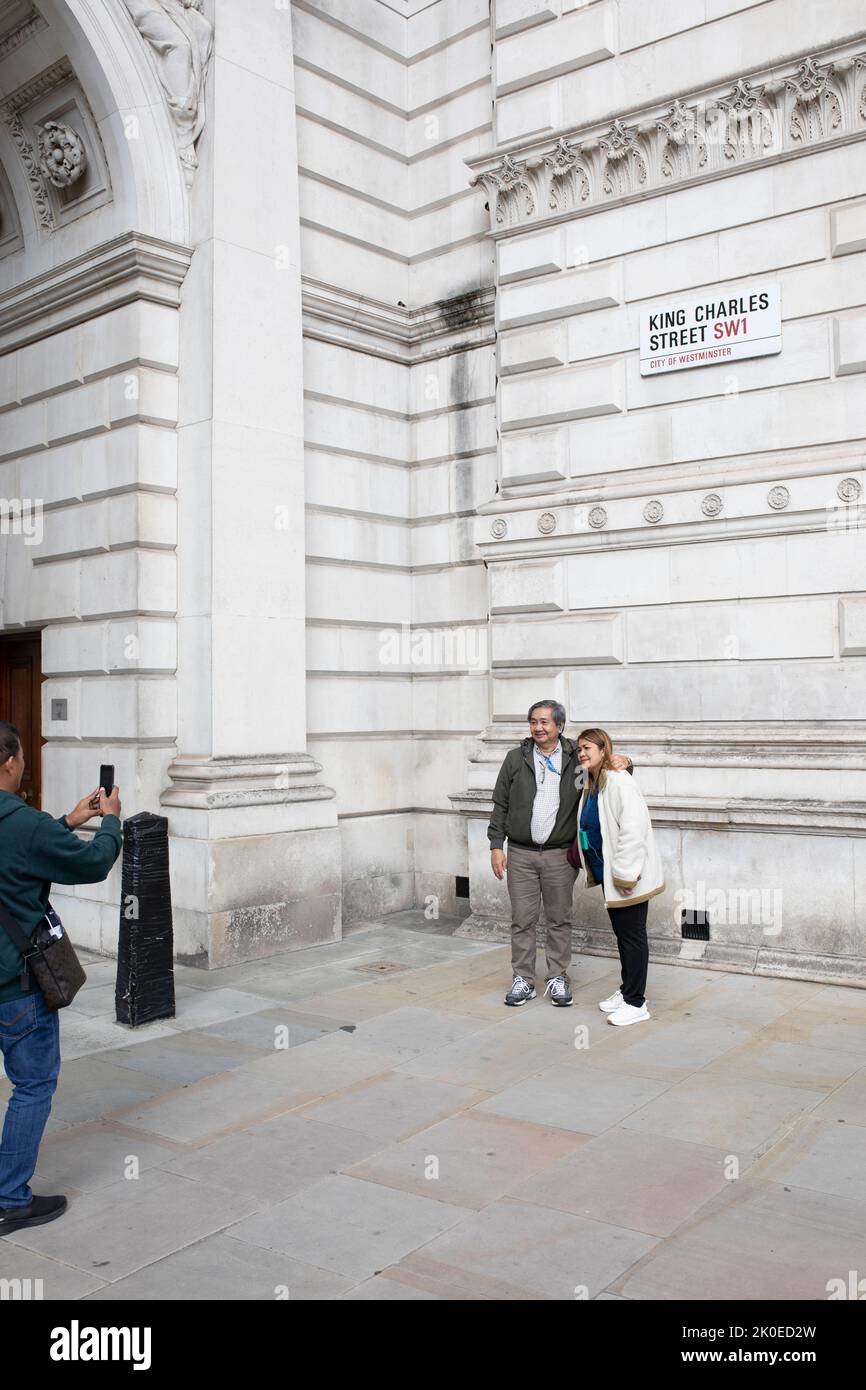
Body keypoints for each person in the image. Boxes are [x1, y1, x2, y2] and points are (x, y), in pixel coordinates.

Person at [0, 721, 122, 1235]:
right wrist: (109, 821)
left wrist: (70, 818)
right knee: (32, 1085)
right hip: (17, 987)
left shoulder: (30, 826)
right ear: (9, 762)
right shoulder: (23, 823)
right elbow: (94, 863)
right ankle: (9, 1199)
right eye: (23, 754)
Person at [488, 701, 631, 1007]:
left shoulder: (575, 760)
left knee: (558, 919)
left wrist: (625, 761)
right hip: (521, 854)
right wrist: (496, 845)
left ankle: (558, 977)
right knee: (522, 920)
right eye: (533, 722)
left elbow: (603, 777)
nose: (538, 727)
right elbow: (500, 804)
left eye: (545, 722)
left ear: (560, 726)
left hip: (559, 856)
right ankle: (523, 979)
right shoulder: (516, 759)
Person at [570, 727, 664, 1027]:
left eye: (588, 748)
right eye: (579, 749)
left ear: (603, 749)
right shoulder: (594, 781)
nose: (582, 753)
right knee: (623, 938)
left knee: (633, 938)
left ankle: (637, 1003)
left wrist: (625, 875)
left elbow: (633, 830)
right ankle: (627, 991)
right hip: (609, 876)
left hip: (627, 878)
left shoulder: (619, 781)